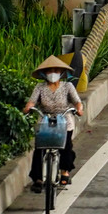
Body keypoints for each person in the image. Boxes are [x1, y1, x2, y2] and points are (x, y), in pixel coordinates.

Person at [23, 56, 84, 191]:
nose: (53, 73)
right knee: (40, 149)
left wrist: (79, 109)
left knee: (66, 146)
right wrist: (28, 107)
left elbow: (77, 101)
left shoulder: (67, 86)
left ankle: (64, 172)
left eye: (56, 70)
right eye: (49, 71)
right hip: (45, 120)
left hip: (64, 120)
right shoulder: (40, 87)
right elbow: (32, 101)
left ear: (61, 73)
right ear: (44, 73)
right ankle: (38, 179)